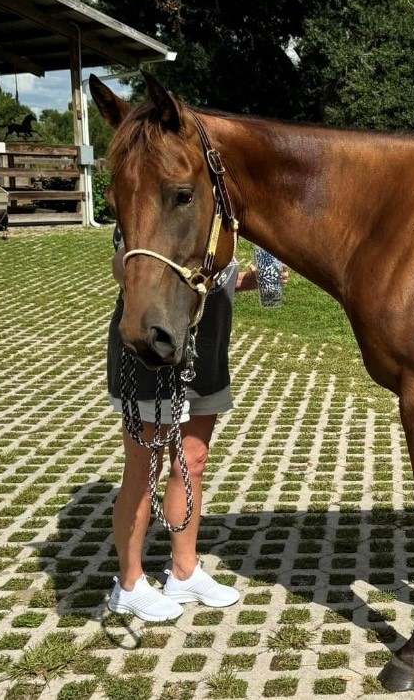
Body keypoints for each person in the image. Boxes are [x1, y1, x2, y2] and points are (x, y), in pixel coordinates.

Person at [103, 225, 279, 621]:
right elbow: (122, 266)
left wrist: (248, 281)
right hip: (152, 350)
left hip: (205, 353)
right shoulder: (160, 206)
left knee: (192, 463)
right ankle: (128, 584)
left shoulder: (225, 215)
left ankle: (184, 571)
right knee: (143, 471)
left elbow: (212, 282)